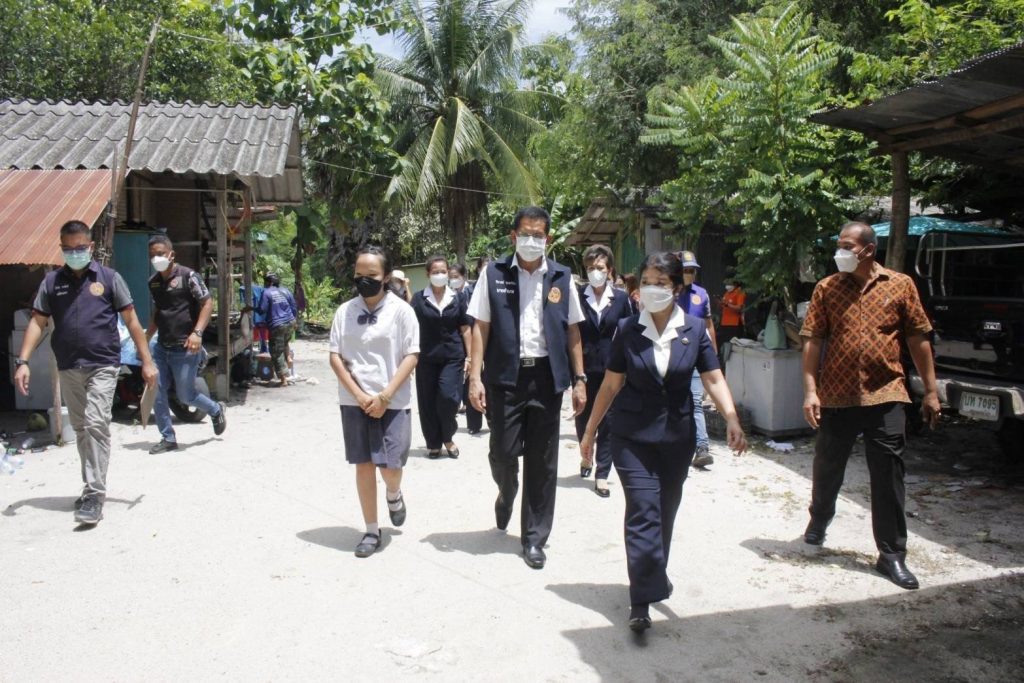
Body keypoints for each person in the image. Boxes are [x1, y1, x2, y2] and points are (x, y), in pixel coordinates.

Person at [580, 251, 747, 633]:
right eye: (647, 282)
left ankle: (653, 575)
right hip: (631, 438)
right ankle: (641, 600)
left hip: (676, 438)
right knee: (642, 511)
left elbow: (713, 377)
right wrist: (590, 431)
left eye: (661, 283)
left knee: (664, 512)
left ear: (676, 288)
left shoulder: (694, 328)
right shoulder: (627, 329)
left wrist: (731, 418)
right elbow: (611, 384)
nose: (652, 289)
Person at [800, 222, 939, 590]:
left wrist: (930, 390)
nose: (840, 252)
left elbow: (918, 338)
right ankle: (820, 517)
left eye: (847, 245)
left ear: (869, 250)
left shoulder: (900, 285)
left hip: (886, 393)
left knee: (889, 475)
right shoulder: (827, 288)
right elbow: (812, 340)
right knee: (828, 466)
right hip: (837, 395)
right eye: (839, 245)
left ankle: (891, 554)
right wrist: (811, 390)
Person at [14, 220, 158, 525]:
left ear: (91, 247)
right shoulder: (51, 283)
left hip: (103, 364)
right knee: (81, 429)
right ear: (61, 248)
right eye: (68, 249)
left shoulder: (109, 278)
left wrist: (146, 361)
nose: (75, 253)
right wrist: (22, 361)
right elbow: (38, 321)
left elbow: (132, 321)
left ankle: (94, 494)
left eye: (80, 247)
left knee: (95, 424)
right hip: (68, 366)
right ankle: (91, 486)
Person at [467, 207, 587, 570]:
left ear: (547, 239)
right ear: (513, 236)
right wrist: (475, 376)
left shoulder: (562, 277)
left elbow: (573, 330)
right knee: (503, 451)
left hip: (547, 378)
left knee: (543, 461)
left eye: (538, 235)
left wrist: (580, 379)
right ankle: (507, 491)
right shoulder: (494, 273)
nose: (532, 240)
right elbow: (480, 326)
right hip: (505, 377)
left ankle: (534, 538)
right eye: (526, 233)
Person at [328, 246, 420, 557]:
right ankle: (370, 530)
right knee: (364, 464)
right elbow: (335, 356)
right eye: (359, 274)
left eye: (372, 274)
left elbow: (411, 355)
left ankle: (394, 493)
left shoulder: (402, 312)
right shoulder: (344, 312)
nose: (364, 280)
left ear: (386, 276)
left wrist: (384, 396)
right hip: (354, 400)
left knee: (391, 466)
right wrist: (359, 395)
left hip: (392, 400)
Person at [147, 235, 226, 455]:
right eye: (152, 255)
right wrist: (145, 338)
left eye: (160, 254)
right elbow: (158, 312)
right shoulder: (153, 282)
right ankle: (168, 437)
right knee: (157, 391)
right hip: (161, 347)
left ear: (171, 254)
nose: (156, 258)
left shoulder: (188, 276)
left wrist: (197, 333)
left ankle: (215, 409)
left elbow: (207, 302)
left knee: (186, 396)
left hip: (186, 347)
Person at [575, 244, 634, 497]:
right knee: (583, 416)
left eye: (599, 267)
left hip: (613, 370)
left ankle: (602, 473)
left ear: (609, 270)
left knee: (609, 421)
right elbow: (571, 332)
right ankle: (585, 454)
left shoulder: (621, 299)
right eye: (590, 268)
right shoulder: (578, 296)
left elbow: (630, 330)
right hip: (584, 368)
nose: (594, 272)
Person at [411, 256, 471, 459]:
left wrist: (470, 357)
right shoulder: (418, 299)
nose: (440, 275)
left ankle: (448, 436)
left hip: (453, 357)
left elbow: (465, 328)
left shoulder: (457, 298)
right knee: (427, 401)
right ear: (428, 274)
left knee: (448, 398)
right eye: (435, 272)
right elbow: (409, 329)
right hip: (426, 358)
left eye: (443, 271)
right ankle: (433, 443)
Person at [675, 250, 716, 469]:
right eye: (685, 270)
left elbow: (708, 324)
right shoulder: (669, 293)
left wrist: (713, 353)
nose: (689, 274)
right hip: (673, 355)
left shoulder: (702, 294)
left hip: (696, 354)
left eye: (692, 271)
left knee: (697, 402)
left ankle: (702, 448)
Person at [461, 255, 491, 435]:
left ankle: (492, 419)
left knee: (491, 382)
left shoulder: (498, 287)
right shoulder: (468, 292)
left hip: (492, 341)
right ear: (478, 269)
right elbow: (467, 321)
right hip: (473, 338)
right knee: (472, 380)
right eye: (484, 266)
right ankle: (474, 424)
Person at [258, 272, 299, 387]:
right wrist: (295, 321)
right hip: (290, 322)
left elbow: (262, 309)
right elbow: (294, 307)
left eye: (265, 281)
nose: (264, 284)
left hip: (278, 325)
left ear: (269, 282)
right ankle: (288, 358)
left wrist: (252, 308)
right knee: (284, 343)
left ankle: (283, 379)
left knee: (276, 352)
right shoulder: (285, 291)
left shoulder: (266, 292)